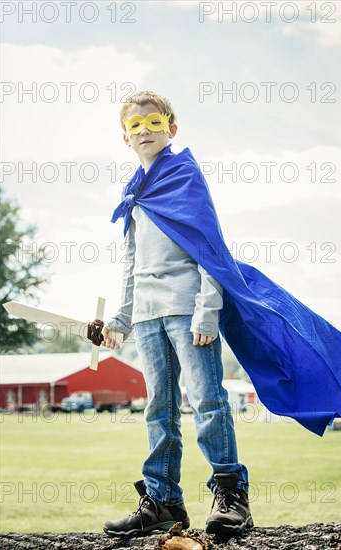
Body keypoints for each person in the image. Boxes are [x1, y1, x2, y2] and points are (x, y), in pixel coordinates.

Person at [101, 91, 253, 537]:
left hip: (188, 309)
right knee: (158, 407)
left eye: (154, 123)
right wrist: (121, 317)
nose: (144, 131)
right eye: (135, 126)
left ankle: (231, 496)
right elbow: (131, 260)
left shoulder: (185, 176)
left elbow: (209, 247)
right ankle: (163, 501)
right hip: (147, 316)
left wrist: (207, 310)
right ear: (124, 137)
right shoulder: (134, 191)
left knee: (207, 399)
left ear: (172, 127)